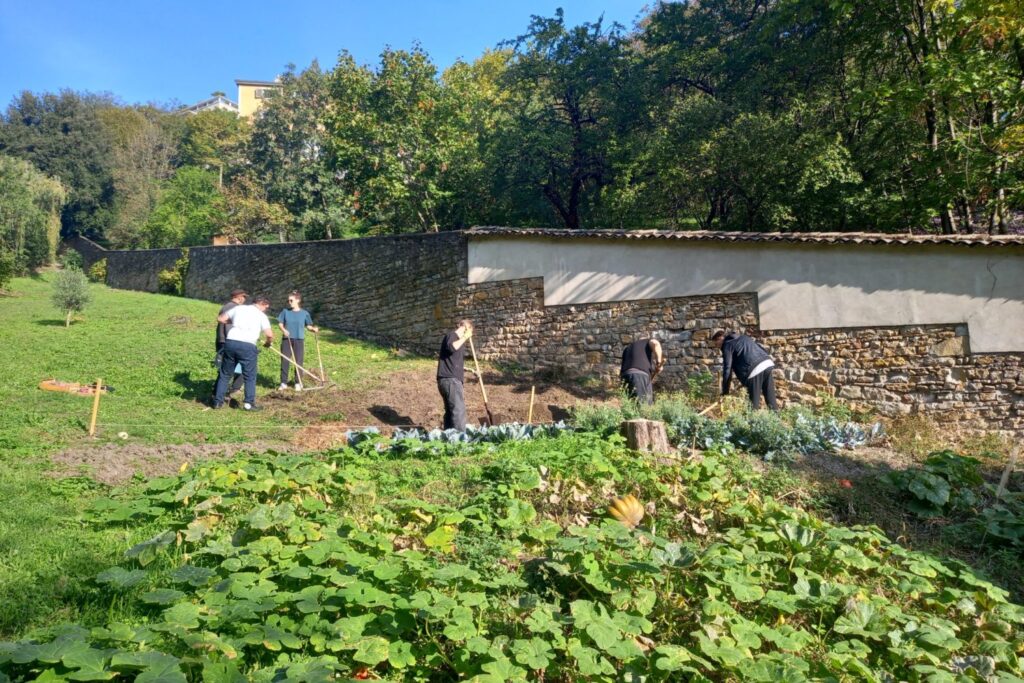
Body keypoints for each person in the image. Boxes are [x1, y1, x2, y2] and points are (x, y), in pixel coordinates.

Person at [213, 296, 274, 411]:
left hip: (231, 342)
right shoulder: (261, 316)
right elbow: (269, 334)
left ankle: (217, 402)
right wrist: (268, 343)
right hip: (248, 345)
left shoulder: (239, 309)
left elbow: (221, 319)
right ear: (261, 304)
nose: (265, 309)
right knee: (250, 376)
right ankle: (248, 404)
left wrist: (232, 321)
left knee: (225, 374)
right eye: (266, 307)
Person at [712, 330, 778, 410]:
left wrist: (725, 392)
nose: (717, 347)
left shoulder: (727, 344)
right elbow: (760, 348)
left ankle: (753, 421)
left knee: (753, 406)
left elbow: (727, 369)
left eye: (716, 344)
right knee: (770, 399)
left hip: (754, 370)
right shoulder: (743, 337)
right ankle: (776, 420)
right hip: (766, 363)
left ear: (720, 338)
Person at [277, 291, 319, 391]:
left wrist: (313, 329)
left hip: (299, 339)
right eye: (288, 300)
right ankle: (283, 383)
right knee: (285, 360)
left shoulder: (304, 313)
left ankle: (298, 383)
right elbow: (280, 323)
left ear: (298, 300)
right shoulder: (285, 312)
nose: (289, 302)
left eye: (291, 300)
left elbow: (308, 325)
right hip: (287, 339)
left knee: (298, 361)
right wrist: (284, 330)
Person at [436, 319, 473, 430]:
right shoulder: (452, 336)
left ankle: (449, 437)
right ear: (466, 327)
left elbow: (451, 359)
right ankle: (461, 441)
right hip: (451, 381)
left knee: (450, 412)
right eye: (470, 331)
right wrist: (465, 336)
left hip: (449, 379)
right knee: (458, 411)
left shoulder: (457, 340)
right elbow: (452, 347)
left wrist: (464, 369)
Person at [212, 289, 246, 401]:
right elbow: (228, 327)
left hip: (224, 341)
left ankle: (220, 392)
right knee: (228, 368)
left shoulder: (227, 306)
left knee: (227, 368)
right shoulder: (233, 307)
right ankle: (228, 391)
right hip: (227, 341)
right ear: (239, 297)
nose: (245, 299)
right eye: (244, 297)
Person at [620, 337, 664, 404]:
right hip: (639, 375)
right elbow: (655, 344)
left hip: (625, 377)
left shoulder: (627, 348)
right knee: (643, 407)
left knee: (631, 406)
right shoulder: (646, 341)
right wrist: (659, 362)